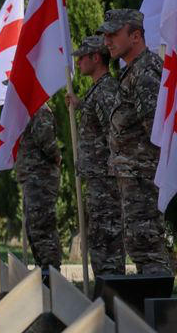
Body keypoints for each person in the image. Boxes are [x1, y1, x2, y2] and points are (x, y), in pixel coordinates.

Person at [102, 8, 172, 274]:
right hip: (134, 177)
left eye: (113, 34)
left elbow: (157, 133)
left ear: (135, 36)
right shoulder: (133, 71)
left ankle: (160, 301)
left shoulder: (145, 73)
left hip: (144, 178)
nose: (107, 40)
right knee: (141, 247)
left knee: (148, 248)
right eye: (106, 35)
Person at [67, 33, 122, 281]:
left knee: (106, 243)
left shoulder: (106, 90)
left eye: (82, 57)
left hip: (106, 181)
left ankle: (113, 296)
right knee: (100, 243)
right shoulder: (98, 90)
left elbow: (115, 132)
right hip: (99, 179)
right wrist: (81, 105)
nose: (78, 62)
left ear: (96, 58)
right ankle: (107, 293)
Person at [15, 103, 62, 268]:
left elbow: (47, 141)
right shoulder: (28, 109)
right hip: (32, 178)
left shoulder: (39, 109)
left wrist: (57, 156)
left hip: (41, 179)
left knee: (42, 227)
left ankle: (51, 272)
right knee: (33, 228)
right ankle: (43, 269)